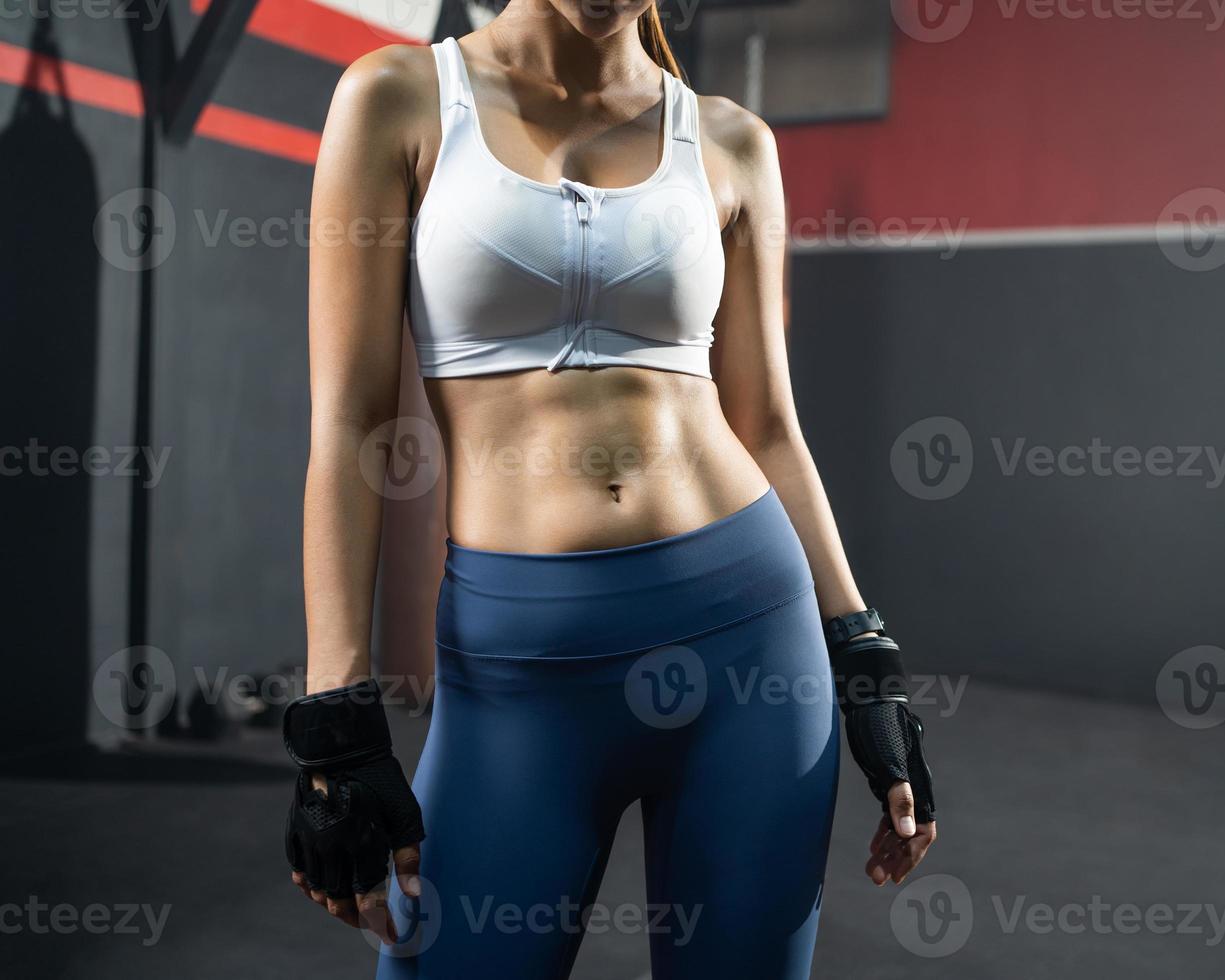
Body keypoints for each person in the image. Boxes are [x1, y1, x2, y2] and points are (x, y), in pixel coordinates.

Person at [281, 2, 937, 976]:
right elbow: (349, 425)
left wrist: (865, 655)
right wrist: (337, 720)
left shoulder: (730, 141)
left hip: (747, 642)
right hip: (520, 668)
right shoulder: (397, 99)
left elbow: (767, 428)